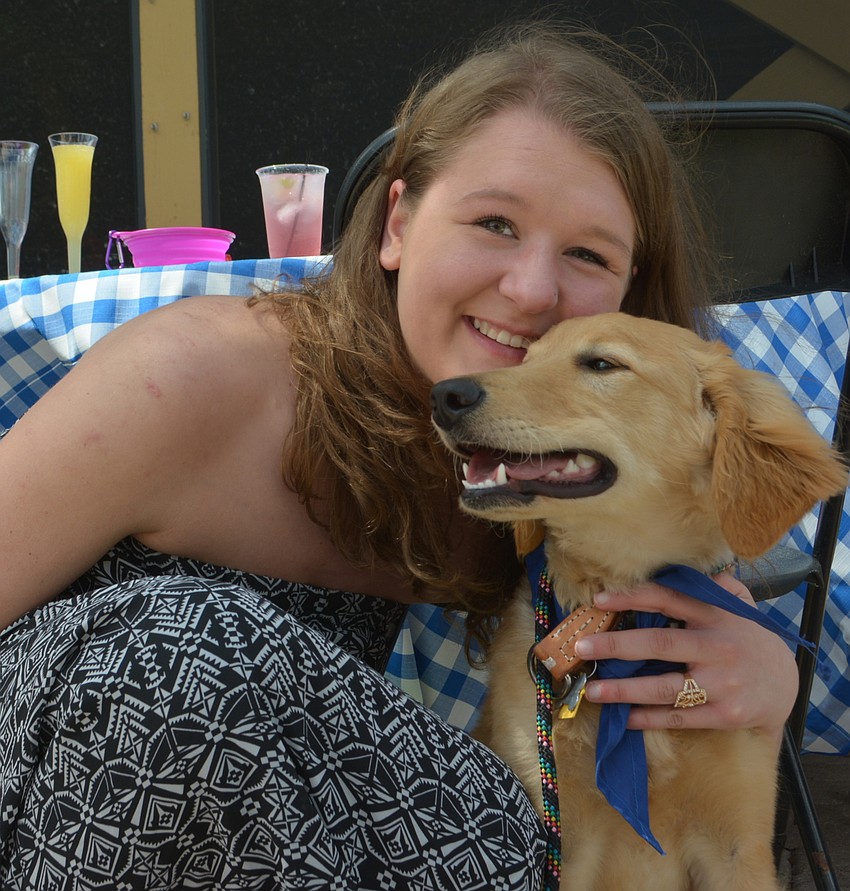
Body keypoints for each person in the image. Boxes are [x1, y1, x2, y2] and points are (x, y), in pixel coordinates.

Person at [0, 22, 797, 890]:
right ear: (397, 225)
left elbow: (677, 626)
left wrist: (765, 672)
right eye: (495, 222)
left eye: (587, 254)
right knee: (190, 653)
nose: (533, 291)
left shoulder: (563, 471)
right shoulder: (190, 382)